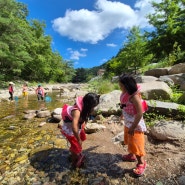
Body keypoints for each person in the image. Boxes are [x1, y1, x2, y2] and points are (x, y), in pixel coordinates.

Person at [59, 93, 100, 168]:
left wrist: (83, 125)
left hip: (76, 127)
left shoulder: (84, 108)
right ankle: (74, 161)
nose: (93, 109)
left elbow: (83, 120)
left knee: (80, 141)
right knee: (76, 145)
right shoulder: (77, 111)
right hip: (70, 130)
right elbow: (74, 128)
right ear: (88, 105)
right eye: (93, 107)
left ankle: (74, 152)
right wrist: (78, 140)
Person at [119, 73, 148, 177]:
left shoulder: (134, 96)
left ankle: (141, 163)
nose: (120, 87)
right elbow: (123, 104)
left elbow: (140, 113)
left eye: (121, 85)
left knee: (136, 142)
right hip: (128, 121)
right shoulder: (125, 93)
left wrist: (133, 126)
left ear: (127, 86)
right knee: (129, 139)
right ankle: (131, 155)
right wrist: (122, 114)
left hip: (135, 123)